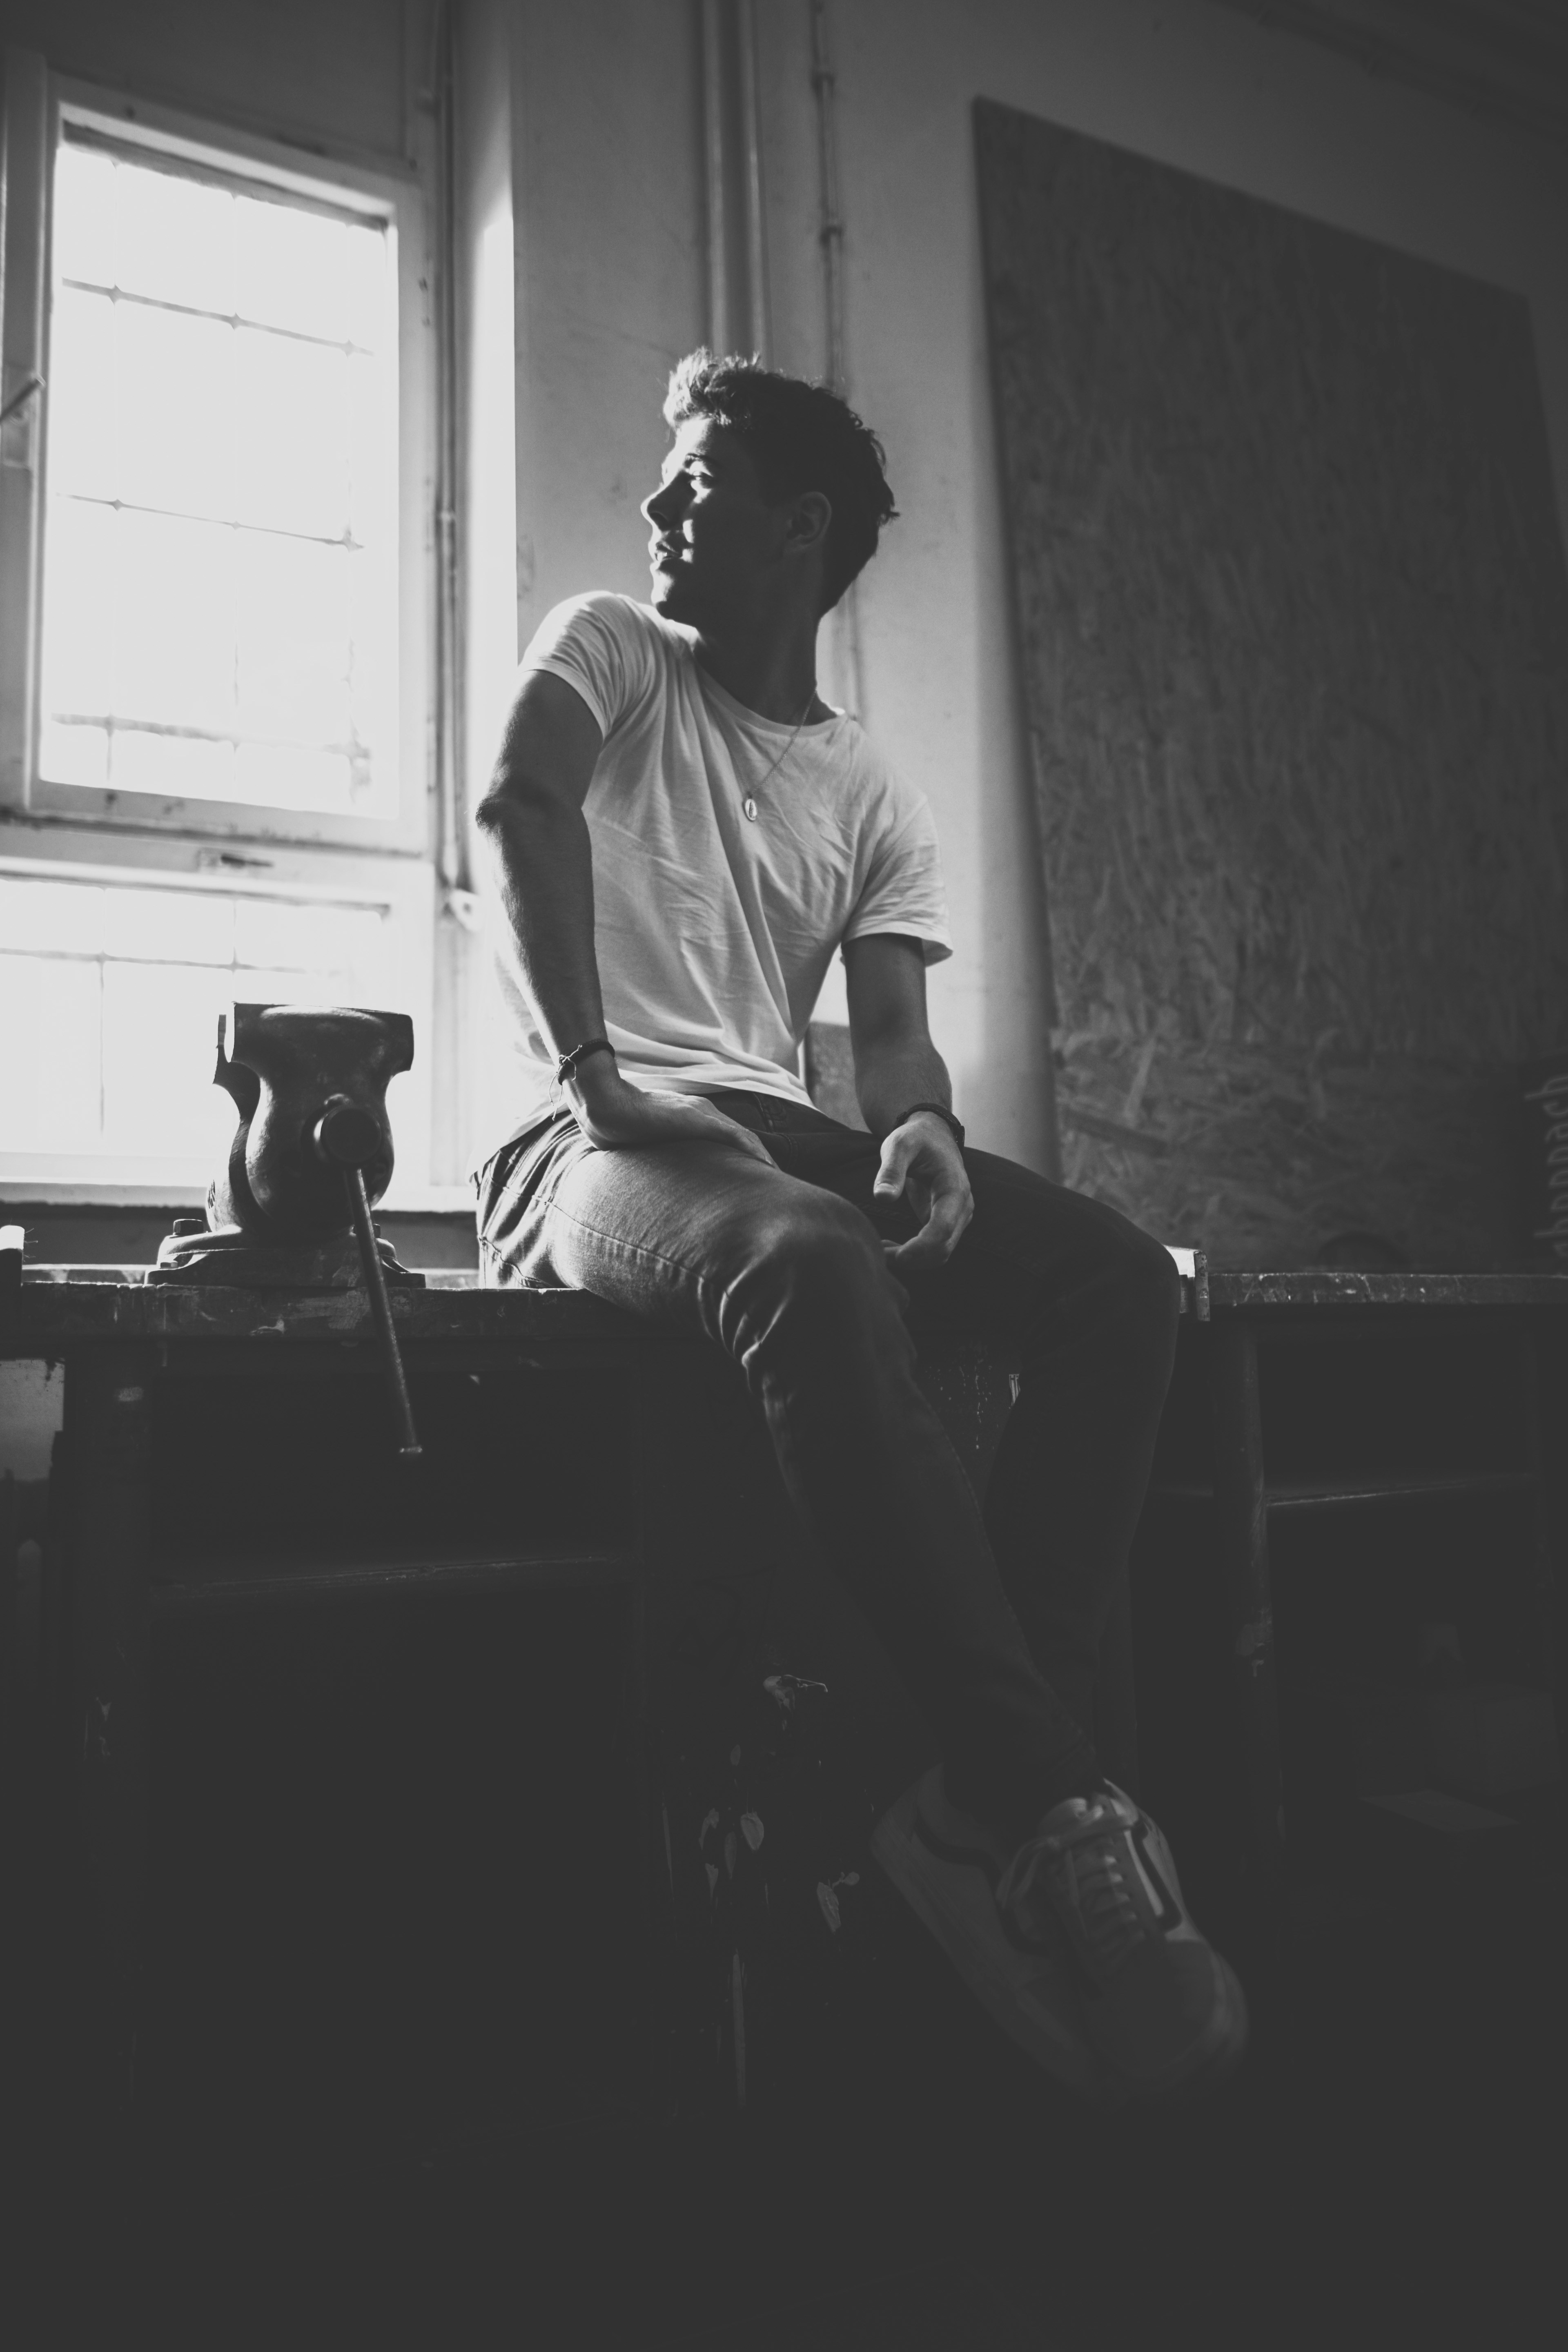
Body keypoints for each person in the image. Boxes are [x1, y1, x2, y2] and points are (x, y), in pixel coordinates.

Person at [472, 351, 1247, 2105]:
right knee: (807, 1260)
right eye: (667, 479)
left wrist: (925, 1141)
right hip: (587, 1144)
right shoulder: (612, 646)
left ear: (799, 526)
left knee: (1118, 1284)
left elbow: (893, 1043)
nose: (664, 504)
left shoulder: (866, 789)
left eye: (700, 478)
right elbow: (519, 807)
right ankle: (1054, 1803)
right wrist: (595, 1079)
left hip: (777, 1133)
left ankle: (986, 1788)